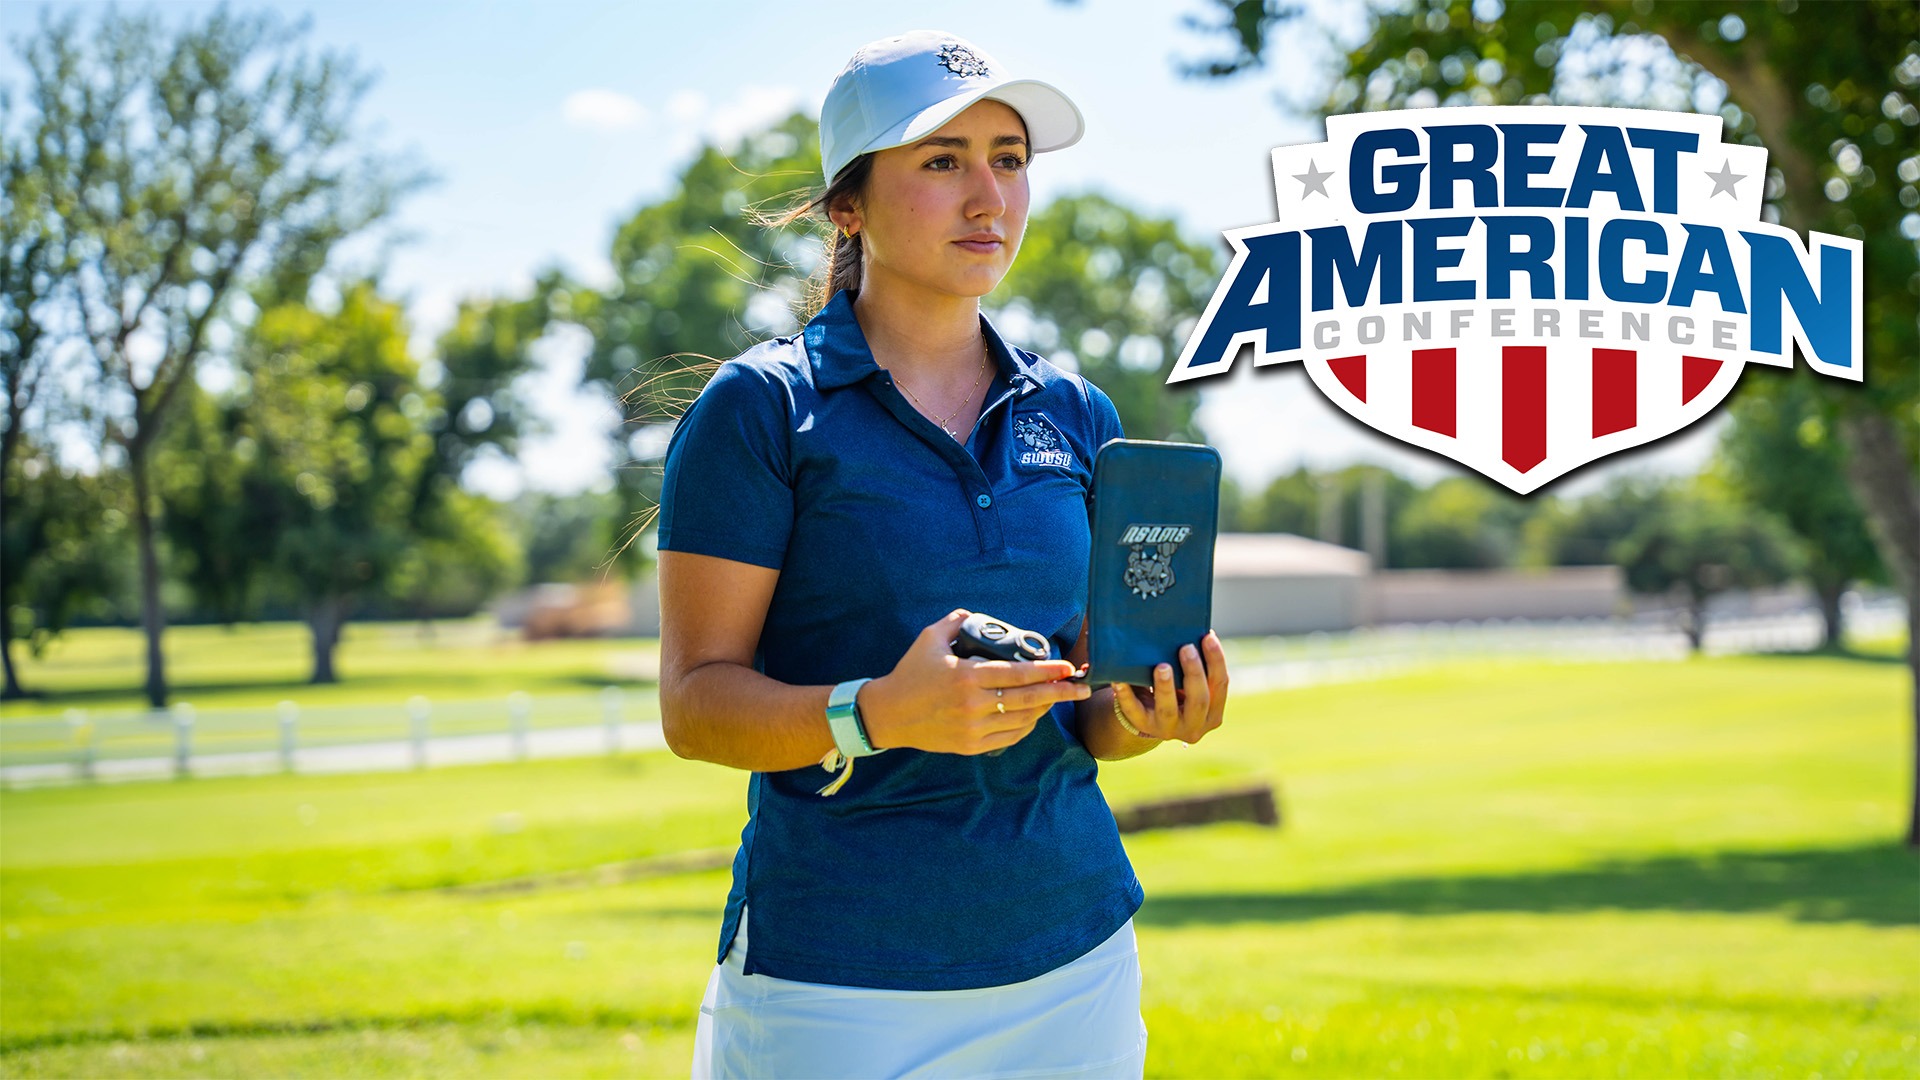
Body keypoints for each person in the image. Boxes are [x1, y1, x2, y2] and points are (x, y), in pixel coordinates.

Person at [657, 30, 1231, 1079]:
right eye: (941, 160)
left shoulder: (1076, 411)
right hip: (835, 982)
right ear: (848, 204)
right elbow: (695, 707)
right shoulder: (761, 409)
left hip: (1076, 963)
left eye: (1008, 159)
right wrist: (878, 712)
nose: (988, 197)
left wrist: (1146, 713)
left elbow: (1086, 717)